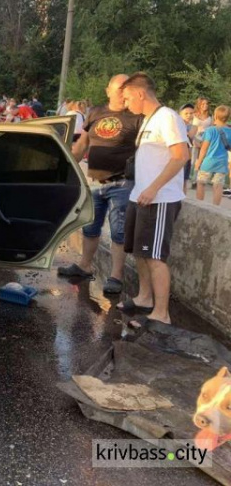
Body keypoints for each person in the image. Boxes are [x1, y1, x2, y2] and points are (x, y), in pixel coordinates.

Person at [58, 74, 142, 295]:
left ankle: (116, 276)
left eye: (127, 88)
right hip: (94, 183)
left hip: (122, 182)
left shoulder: (136, 116)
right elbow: (82, 143)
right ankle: (84, 266)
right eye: (120, 87)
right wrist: (66, 164)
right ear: (109, 91)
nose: (124, 92)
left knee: (118, 231)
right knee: (90, 227)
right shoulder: (95, 112)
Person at [118, 72, 189, 328]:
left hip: (159, 199)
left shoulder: (168, 117)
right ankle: (144, 298)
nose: (126, 104)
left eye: (127, 98)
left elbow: (181, 155)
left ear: (140, 93)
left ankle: (161, 313)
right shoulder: (149, 119)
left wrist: (154, 188)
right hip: (141, 197)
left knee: (155, 256)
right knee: (139, 252)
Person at [195, 105, 231, 206]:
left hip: (208, 161)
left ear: (215, 116)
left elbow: (204, 148)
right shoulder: (230, 132)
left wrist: (198, 161)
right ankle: (215, 207)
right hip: (222, 163)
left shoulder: (210, 130)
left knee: (201, 183)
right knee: (218, 186)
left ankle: (199, 205)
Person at [189, 96, 212, 185]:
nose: (205, 105)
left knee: (201, 160)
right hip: (195, 139)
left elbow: (210, 129)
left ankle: (197, 179)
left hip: (205, 140)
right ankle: (191, 177)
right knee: (193, 160)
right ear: (199, 105)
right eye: (203, 104)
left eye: (206, 104)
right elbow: (191, 128)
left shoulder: (210, 116)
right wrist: (194, 140)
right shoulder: (194, 115)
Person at [179, 104, 195, 193]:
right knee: (179, 182)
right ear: (180, 114)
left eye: (191, 113)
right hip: (179, 158)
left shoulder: (190, 126)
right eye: (186, 113)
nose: (189, 115)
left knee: (184, 182)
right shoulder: (177, 126)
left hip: (187, 158)